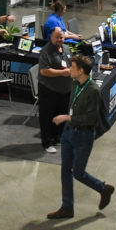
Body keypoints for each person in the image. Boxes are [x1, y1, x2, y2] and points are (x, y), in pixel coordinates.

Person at [46, 55, 115, 219]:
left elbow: (91, 119)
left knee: (78, 172)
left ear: (81, 71)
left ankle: (103, 189)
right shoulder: (75, 83)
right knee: (65, 170)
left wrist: (66, 118)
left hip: (83, 136)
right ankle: (67, 207)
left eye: (73, 67)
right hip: (69, 132)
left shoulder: (93, 91)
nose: (70, 69)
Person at [38, 17, 73, 153]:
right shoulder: (45, 52)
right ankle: (47, 142)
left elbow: (70, 64)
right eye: (57, 37)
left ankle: (57, 137)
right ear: (51, 37)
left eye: (62, 37)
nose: (60, 40)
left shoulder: (66, 49)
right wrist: (62, 73)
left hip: (64, 89)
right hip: (49, 90)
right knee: (48, 117)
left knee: (61, 114)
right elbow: (44, 71)